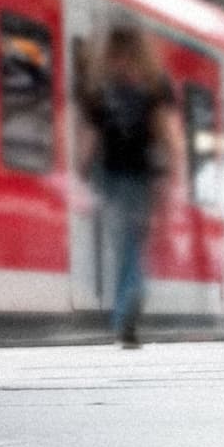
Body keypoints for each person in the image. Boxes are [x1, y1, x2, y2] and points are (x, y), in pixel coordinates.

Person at [83, 23, 176, 347]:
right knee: (130, 245)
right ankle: (130, 303)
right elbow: (167, 135)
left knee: (124, 245)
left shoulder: (102, 90)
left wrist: (80, 176)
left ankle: (125, 310)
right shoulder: (154, 86)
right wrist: (173, 176)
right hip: (136, 178)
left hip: (122, 178)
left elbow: (91, 140)